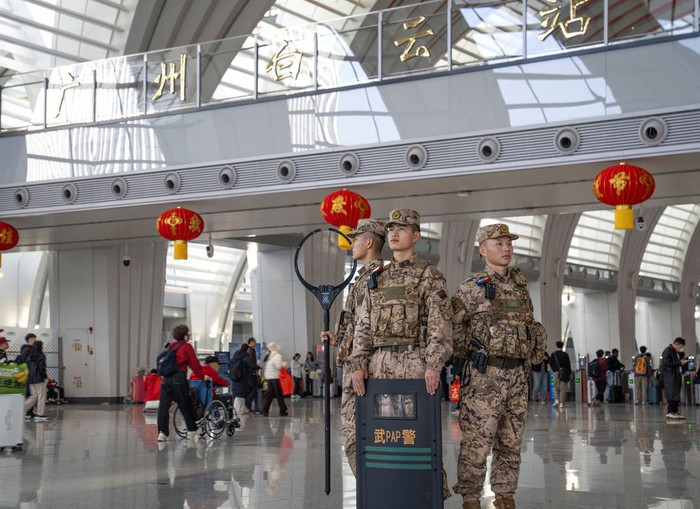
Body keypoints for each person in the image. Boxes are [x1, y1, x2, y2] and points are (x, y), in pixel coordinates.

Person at [346, 209, 453, 500]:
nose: (393, 233)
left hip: (414, 364)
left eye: (402, 229)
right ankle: (386, 493)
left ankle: (430, 496)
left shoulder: (429, 275)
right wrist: (358, 363)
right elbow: (363, 324)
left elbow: (440, 323)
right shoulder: (377, 277)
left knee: (419, 434)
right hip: (379, 365)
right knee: (383, 433)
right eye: (391, 229)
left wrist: (434, 364)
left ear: (416, 236)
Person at [451, 223, 547, 509]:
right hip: (484, 376)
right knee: (476, 441)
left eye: (509, 243)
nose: (506, 248)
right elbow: (455, 330)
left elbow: (528, 327)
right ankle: (471, 497)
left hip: (517, 374)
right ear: (483, 250)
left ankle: (505, 495)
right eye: (499, 243)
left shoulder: (520, 289)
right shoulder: (471, 288)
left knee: (511, 440)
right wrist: (472, 358)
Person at [320, 217, 385, 476]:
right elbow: (359, 324)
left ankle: (371, 487)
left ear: (369, 243)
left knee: (357, 435)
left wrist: (358, 363)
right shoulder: (363, 278)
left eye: (356, 239)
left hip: (363, 369)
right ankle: (368, 488)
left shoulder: (378, 278)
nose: (352, 244)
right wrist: (338, 339)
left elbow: (373, 326)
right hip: (352, 364)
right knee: (353, 435)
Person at [157, 324, 208, 442]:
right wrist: (202, 376)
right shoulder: (186, 347)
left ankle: (162, 433)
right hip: (178, 379)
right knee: (185, 404)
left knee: (163, 406)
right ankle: (192, 429)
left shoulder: (171, 347)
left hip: (166, 380)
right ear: (185, 336)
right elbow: (194, 365)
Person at [661, 337, 688, 420]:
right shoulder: (668, 351)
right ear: (676, 344)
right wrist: (680, 363)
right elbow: (667, 363)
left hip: (675, 376)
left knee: (676, 393)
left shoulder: (674, 352)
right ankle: (670, 412)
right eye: (680, 347)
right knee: (672, 393)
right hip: (670, 376)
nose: (680, 348)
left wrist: (681, 362)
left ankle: (674, 411)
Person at [24, 340, 48, 422]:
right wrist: (45, 377)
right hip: (39, 379)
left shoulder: (29, 357)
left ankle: (22, 409)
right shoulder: (41, 355)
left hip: (30, 379)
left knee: (33, 396)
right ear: (40, 347)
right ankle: (40, 414)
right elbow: (42, 368)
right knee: (41, 396)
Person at [261, 342, 288, 417]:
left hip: (269, 377)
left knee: (269, 394)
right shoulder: (277, 355)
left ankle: (265, 410)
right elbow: (278, 366)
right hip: (275, 377)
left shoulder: (270, 355)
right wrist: (284, 364)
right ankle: (282, 410)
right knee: (279, 395)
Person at [231, 344, 257, 414]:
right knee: (241, 393)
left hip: (235, 376)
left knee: (239, 393)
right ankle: (237, 410)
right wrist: (257, 367)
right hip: (242, 377)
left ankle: (241, 408)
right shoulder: (245, 356)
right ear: (247, 349)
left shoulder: (235, 356)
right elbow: (251, 365)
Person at [550, 341, 572, 408]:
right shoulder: (565, 355)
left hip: (556, 372)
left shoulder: (553, 354)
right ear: (562, 346)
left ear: (556, 346)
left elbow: (551, 363)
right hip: (564, 372)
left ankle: (556, 400)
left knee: (555, 386)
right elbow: (568, 365)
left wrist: (554, 369)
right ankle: (562, 403)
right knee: (563, 388)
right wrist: (570, 374)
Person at [245, 337, 261, 411]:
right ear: (251, 342)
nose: (256, 343)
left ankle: (249, 406)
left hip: (249, 373)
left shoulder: (248, 350)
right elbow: (251, 362)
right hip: (251, 373)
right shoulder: (251, 350)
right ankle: (247, 404)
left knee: (251, 389)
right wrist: (255, 370)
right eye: (254, 342)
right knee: (254, 389)